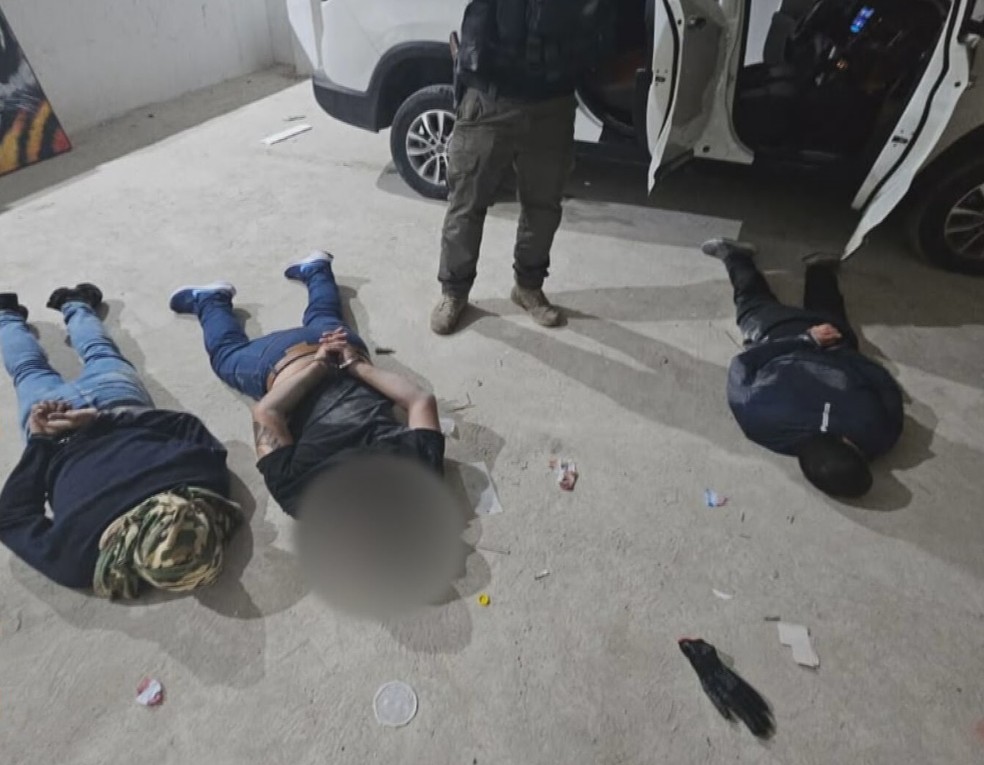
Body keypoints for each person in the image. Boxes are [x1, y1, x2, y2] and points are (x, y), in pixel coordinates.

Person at [0, 285, 241, 599]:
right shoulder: (75, 561)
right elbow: (11, 517)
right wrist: (41, 442)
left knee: (100, 350)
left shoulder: (205, 480)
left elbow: (185, 425)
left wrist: (102, 419)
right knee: (28, 370)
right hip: (55, 429)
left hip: (117, 405)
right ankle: (5, 316)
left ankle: (75, 302)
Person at [170, 252, 446, 518]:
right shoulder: (299, 495)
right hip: (281, 360)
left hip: (343, 347)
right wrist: (316, 367)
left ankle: (317, 268)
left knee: (324, 317)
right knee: (226, 355)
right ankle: (211, 299)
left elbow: (420, 400)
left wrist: (353, 365)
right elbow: (266, 412)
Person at [431, 0, 615, 335]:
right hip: (489, 100)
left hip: (552, 104)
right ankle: (454, 292)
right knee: (466, 204)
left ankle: (528, 287)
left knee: (543, 206)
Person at [703, 239, 904, 498]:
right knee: (755, 303)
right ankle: (737, 256)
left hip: (796, 335)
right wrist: (827, 347)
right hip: (784, 335)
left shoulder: (880, 435)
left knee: (759, 302)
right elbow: (743, 364)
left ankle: (818, 268)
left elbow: (884, 382)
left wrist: (813, 342)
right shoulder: (758, 420)